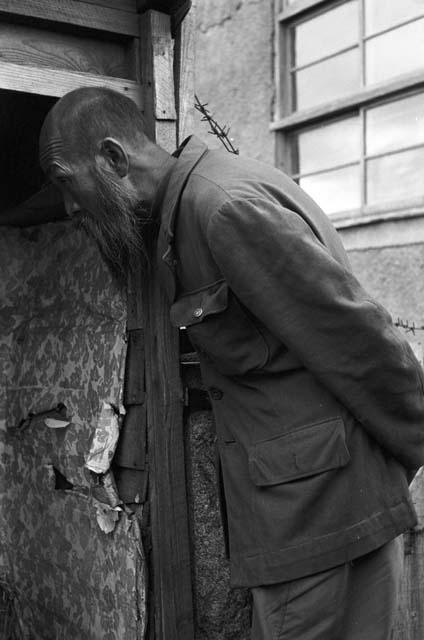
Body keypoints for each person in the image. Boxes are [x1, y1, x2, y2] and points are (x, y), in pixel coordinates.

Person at [39, 87, 424, 639]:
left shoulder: (221, 209)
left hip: (317, 521)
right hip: (307, 516)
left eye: (64, 180)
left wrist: (403, 459)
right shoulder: (185, 212)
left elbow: (361, 344)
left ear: (113, 158)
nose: (70, 207)